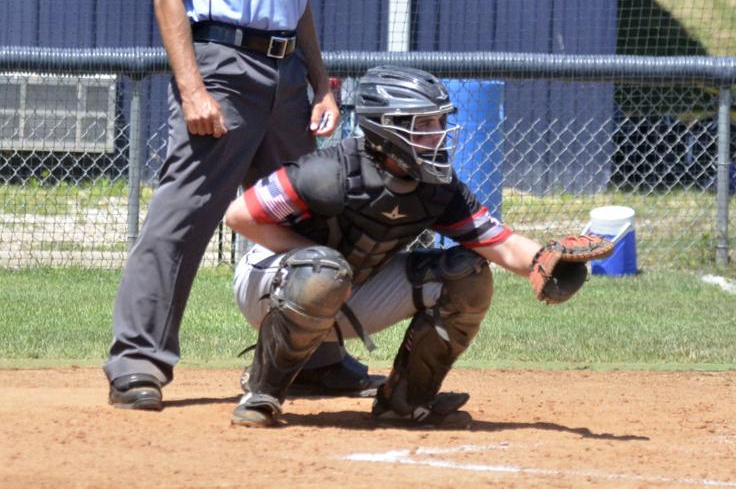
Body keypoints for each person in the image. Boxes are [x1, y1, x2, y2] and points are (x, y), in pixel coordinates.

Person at [104, 0, 343, 411]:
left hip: (287, 71)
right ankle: (137, 362)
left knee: (311, 212)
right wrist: (192, 89)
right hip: (223, 67)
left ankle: (318, 356)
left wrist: (322, 82)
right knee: (184, 216)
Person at [224, 65, 611, 428]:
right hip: (270, 285)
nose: (438, 133)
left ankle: (405, 402)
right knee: (324, 271)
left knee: (467, 273)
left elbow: (500, 244)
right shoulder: (330, 171)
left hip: (346, 287)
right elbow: (240, 216)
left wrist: (546, 262)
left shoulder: (438, 188)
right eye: (424, 124)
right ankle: (263, 393)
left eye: (440, 121)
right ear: (387, 128)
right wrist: (315, 259)